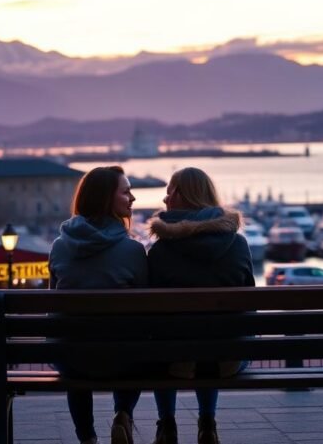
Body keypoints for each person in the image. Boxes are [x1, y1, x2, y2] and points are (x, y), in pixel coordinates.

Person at [146, 167, 254, 444]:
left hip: (176, 361)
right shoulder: (238, 244)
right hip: (229, 359)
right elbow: (250, 304)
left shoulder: (159, 251)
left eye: (169, 192)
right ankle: (207, 423)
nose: (164, 199)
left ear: (180, 195)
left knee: (165, 344)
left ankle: (166, 425)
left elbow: (152, 316)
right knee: (213, 339)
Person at [48, 166, 148, 444]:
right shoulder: (134, 251)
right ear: (106, 198)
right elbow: (145, 312)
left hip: (72, 360)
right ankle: (123, 414)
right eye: (126, 191)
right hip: (122, 361)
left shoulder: (59, 247)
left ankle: (87, 437)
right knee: (134, 343)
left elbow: (53, 311)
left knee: (74, 342)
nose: (133, 198)